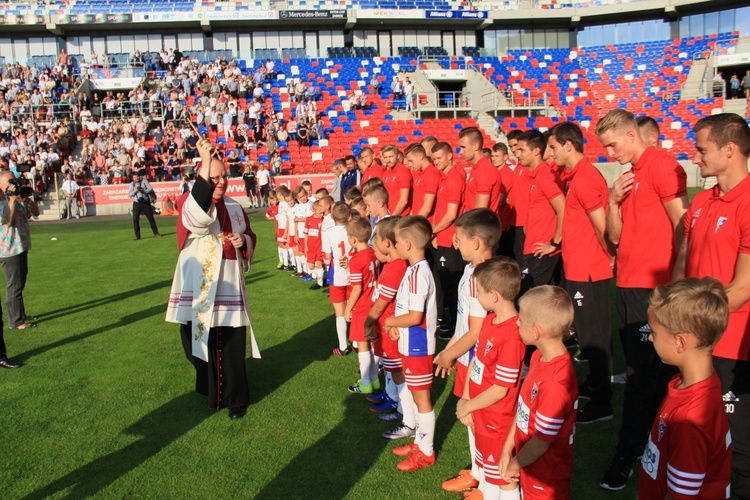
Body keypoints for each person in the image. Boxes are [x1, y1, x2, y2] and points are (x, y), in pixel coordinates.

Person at [596, 109, 688, 491]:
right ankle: (654, 445)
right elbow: (615, 238)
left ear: (631, 135)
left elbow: (684, 225)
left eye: (611, 144)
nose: (609, 152)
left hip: (655, 289)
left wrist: (676, 286)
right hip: (629, 285)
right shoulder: (628, 174)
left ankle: (629, 452)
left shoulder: (662, 166)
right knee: (646, 372)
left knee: (645, 377)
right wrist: (614, 203)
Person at [674, 113, 750, 498]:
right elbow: (683, 263)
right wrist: (672, 314)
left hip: (732, 345)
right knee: (695, 440)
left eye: (702, 149)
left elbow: (743, 287)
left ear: (730, 150)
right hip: (696, 340)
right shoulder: (702, 200)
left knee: (737, 451)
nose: (696, 156)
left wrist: (687, 324)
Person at [165, 139, 259, 420]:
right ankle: (207, 383)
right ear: (202, 178)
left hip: (229, 282)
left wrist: (242, 240)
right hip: (198, 283)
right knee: (193, 336)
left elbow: (251, 236)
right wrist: (205, 159)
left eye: (223, 177)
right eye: (213, 177)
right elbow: (197, 219)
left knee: (230, 343)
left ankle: (235, 399)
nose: (220, 182)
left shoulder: (235, 206)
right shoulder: (189, 201)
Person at [638, 278, 732, 500]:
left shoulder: (691, 420)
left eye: (654, 332)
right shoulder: (693, 384)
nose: (650, 337)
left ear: (680, 342)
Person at [548, 122, 615, 424]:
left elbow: (602, 227)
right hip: (578, 267)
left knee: (595, 336)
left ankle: (603, 402)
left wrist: (612, 257)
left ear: (568, 145)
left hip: (589, 270)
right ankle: (596, 385)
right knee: (587, 332)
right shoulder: (577, 177)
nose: (550, 153)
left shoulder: (586, 178)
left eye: (553, 146)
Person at [435, 209, 502, 494]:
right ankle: (477, 472)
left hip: (478, 361)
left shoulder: (482, 277)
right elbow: (464, 323)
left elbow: (475, 331)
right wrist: (451, 349)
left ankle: (486, 485)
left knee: (477, 419)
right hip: (467, 356)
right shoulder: (472, 270)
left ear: (475, 242)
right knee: (470, 418)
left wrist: (449, 354)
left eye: (458, 238)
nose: (453, 242)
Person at [500, 286, 577, 499]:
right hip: (529, 463)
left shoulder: (555, 385)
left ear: (536, 331)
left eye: (521, 320)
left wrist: (514, 465)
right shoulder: (537, 358)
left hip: (546, 475)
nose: (516, 322)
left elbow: (540, 443)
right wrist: (508, 448)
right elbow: (524, 410)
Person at [457, 257, 525, 500]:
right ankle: (485, 494)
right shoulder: (489, 320)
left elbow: (500, 389)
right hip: (481, 410)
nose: (476, 297)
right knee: (486, 462)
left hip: (498, 418)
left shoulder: (512, 335)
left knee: (502, 474)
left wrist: (469, 405)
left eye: (479, 292)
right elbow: (477, 361)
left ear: (494, 295)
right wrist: (466, 397)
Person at [385, 216, 438, 471]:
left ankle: (425, 451)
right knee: (418, 398)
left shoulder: (419, 273)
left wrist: (391, 321)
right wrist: (396, 325)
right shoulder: (414, 270)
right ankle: (419, 442)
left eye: (396, 242)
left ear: (407, 244)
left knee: (422, 399)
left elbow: (415, 316)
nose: (393, 246)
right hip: (410, 342)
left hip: (418, 345)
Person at [365, 217, 408, 419]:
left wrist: (369, 321)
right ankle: (391, 396)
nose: (374, 251)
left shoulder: (398, 267)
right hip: (385, 326)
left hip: (391, 327)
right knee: (390, 366)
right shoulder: (391, 264)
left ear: (387, 243)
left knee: (397, 369)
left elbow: (382, 302)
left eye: (375, 245)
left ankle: (402, 409)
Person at [516, 130, 564, 291]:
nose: (517, 153)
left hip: (541, 249)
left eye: (522, 149)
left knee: (528, 296)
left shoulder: (545, 176)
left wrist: (554, 243)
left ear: (536, 151)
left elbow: (563, 208)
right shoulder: (536, 176)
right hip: (533, 246)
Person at [430, 142, 465, 337]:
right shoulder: (446, 177)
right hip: (442, 237)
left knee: (452, 283)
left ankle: (456, 325)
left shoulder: (454, 178)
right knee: (445, 282)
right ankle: (452, 322)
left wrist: (433, 231)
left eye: (439, 158)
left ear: (450, 155)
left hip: (450, 239)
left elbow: (451, 214)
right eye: (434, 159)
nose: (436, 162)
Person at [344, 216, 380, 394]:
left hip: (362, 306)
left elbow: (357, 288)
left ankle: (365, 382)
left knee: (362, 344)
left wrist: (348, 308)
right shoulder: (374, 253)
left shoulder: (356, 259)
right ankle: (374, 380)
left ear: (353, 239)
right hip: (374, 303)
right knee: (373, 343)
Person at [0, 171, 39, 332]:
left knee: (20, 282)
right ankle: (15, 321)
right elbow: (7, 221)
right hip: (9, 249)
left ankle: (20, 314)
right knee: (14, 285)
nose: (13, 184)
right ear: (2, 183)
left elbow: (35, 213)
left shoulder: (16, 197)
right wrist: (12, 200)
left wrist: (27, 200)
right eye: (11, 181)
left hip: (21, 246)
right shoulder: (3, 201)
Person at [323, 202, 353, 356]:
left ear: (332, 216)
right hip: (353, 273)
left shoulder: (328, 232)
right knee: (353, 307)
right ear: (349, 217)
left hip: (337, 275)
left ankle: (343, 346)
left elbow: (327, 256)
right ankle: (355, 342)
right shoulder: (353, 230)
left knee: (339, 312)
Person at [458, 127, 501, 215]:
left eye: (463, 147)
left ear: (475, 146)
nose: (461, 152)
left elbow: (480, 211)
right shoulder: (477, 168)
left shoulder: (485, 170)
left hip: (480, 226)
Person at [406, 143, 440, 219]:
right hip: (418, 220)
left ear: (420, 156)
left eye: (411, 161)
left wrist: (414, 223)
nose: (410, 164)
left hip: (424, 223)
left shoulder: (431, 174)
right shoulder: (419, 173)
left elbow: (427, 208)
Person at [128, 172, 161, 240]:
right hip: (136, 203)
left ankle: (156, 233)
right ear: (133, 178)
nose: (136, 178)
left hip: (145, 203)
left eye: (137, 177)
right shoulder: (132, 184)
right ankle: (137, 235)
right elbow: (130, 194)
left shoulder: (144, 181)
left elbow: (150, 189)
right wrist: (135, 191)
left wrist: (143, 190)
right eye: (134, 177)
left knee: (150, 218)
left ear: (139, 176)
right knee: (135, 219)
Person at [381, 145, 412, 216]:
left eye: (391, 156)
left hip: (400, 217)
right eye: (385, 157)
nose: (388, 160)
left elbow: (404, 200)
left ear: (397, 156)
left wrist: (392, 218)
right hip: (388, 214)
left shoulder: (403, 172)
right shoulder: (386, 173)